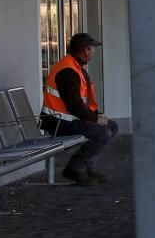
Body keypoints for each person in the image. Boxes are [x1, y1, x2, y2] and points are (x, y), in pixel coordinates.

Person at [40, 33, 119, 185]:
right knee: (103, 133)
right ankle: (74, 169)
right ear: (85, 50)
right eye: (92, 49)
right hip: (58, 122)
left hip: (67, 118)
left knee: (112, 126)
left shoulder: (75, 67)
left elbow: (80, 103)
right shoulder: (68, 71)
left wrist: (97, 117)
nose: (94, 52)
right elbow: (74, 105)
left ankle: (87, 166)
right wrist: (95, 119)